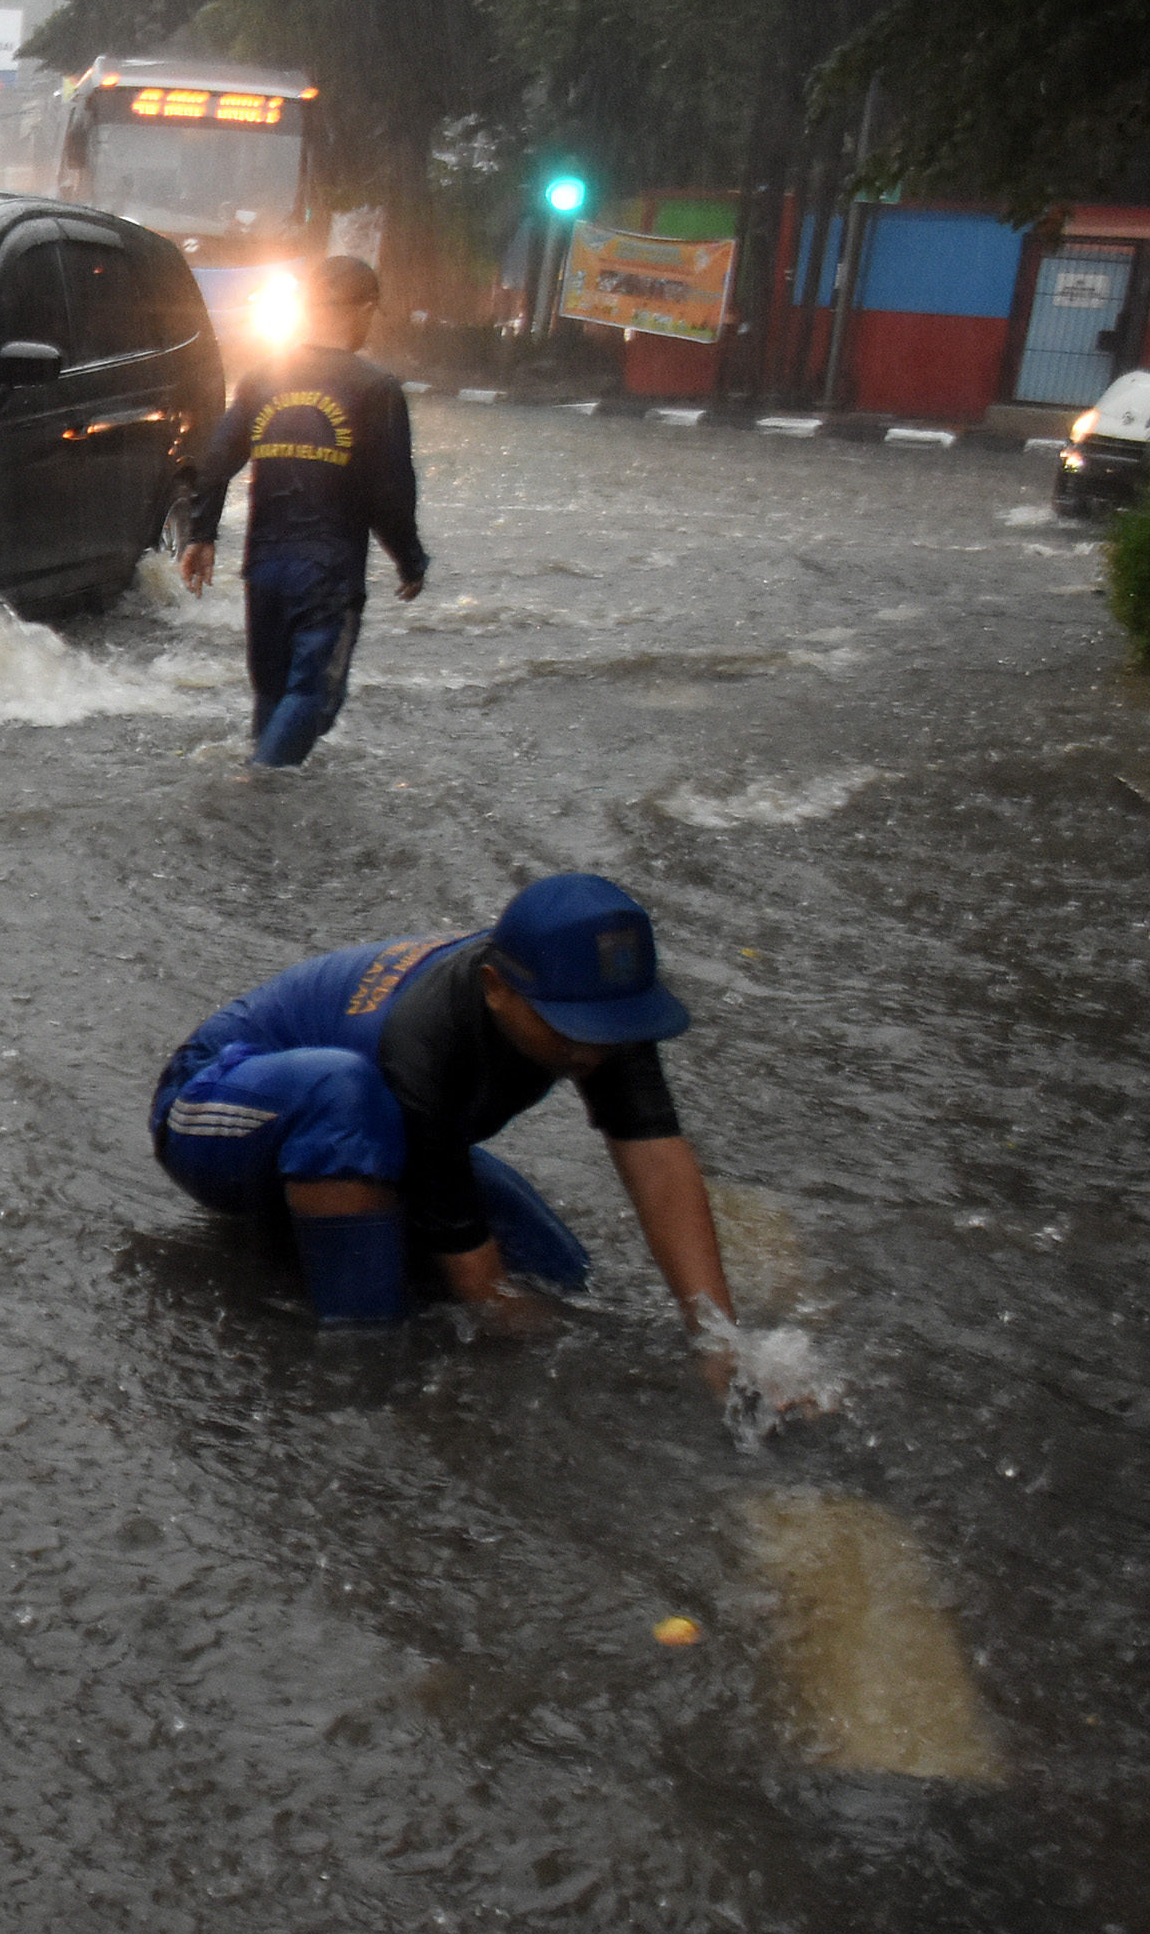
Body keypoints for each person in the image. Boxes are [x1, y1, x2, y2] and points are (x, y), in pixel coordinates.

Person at [151, 874, 748, 1380]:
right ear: (495, 989)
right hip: (212, 1108)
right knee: (346, 1096)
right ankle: (358, 1359)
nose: (592, 1052)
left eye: (609, 1028)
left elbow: (659, 1163)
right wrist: (506, 1320)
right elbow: (480, 1284)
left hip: (384, 1131)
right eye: (570, 1028)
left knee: (560, 1276)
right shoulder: (427, 1036)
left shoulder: (604, 1016)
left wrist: (721, 1345)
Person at [176, 254, 424, 770]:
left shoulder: (263, 378)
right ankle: (256, 788)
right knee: (316, 697)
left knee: (272, 693)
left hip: (263, 570)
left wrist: (201, 535)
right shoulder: (376, 389)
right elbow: (392, 492)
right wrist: (410, 560)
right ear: (365, 310)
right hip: (328, 574)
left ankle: (263, 799)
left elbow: (215, 463)